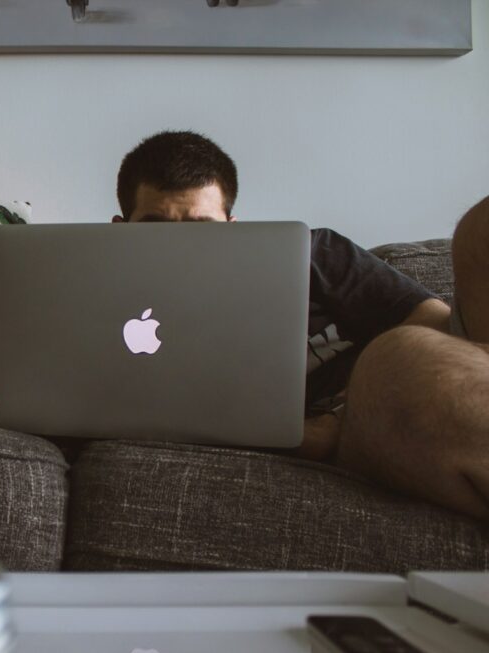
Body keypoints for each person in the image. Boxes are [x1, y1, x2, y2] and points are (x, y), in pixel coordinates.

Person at [112, 131, 486, 519]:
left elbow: (434, 321)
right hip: (377, 431)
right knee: (396, 362)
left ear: (232, 226)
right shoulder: (103, 307)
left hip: (379, 400)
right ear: (120, 230)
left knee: (480, 229)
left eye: (202, 228)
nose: (181, 250)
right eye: (155, 227)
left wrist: (333, 420)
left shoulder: (310, 254)